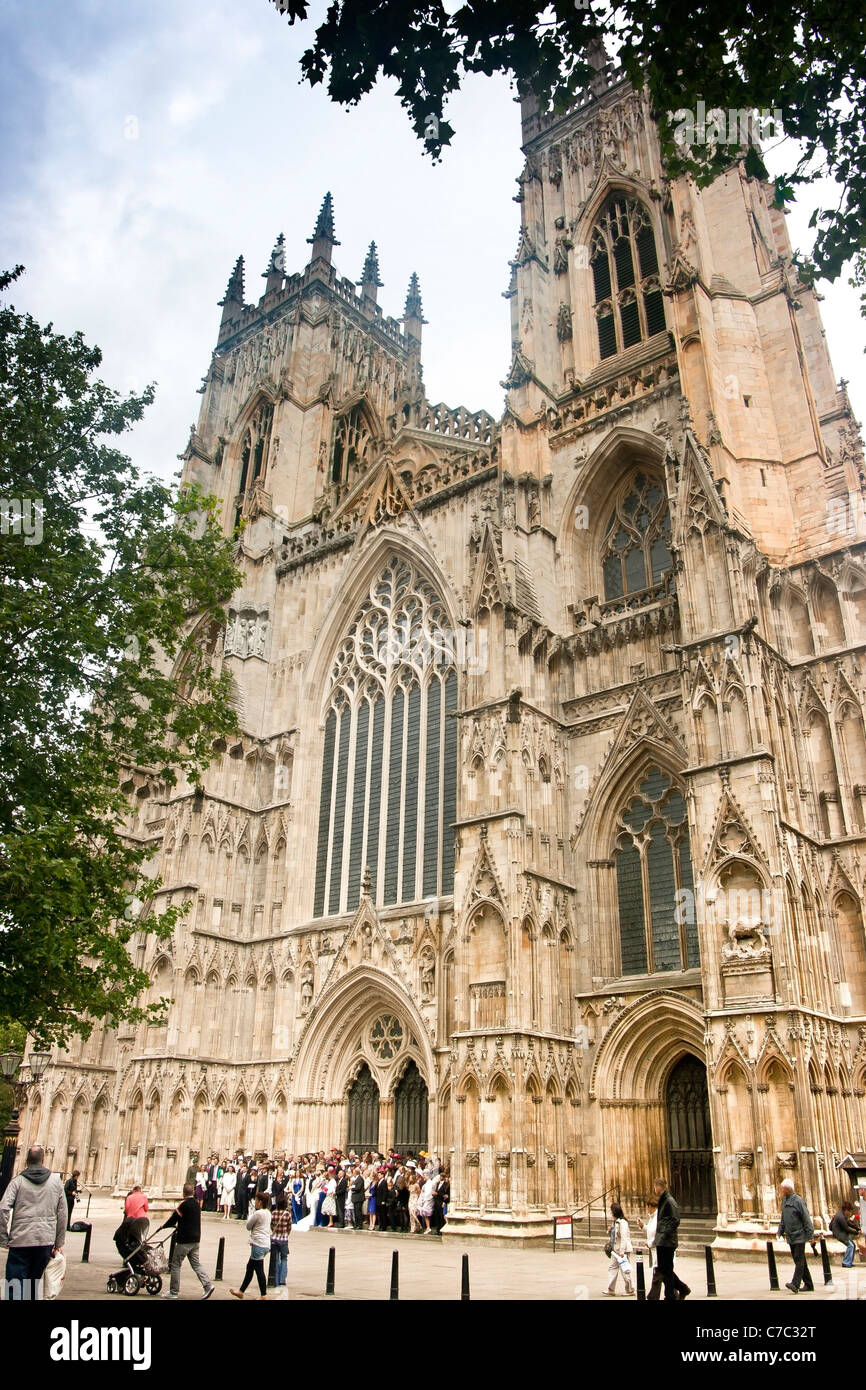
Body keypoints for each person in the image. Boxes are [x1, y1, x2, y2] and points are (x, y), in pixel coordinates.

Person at [0, 1144, 67, 1300]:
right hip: (45, 1240)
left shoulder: (18, 1181)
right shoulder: (56, 1182)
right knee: (32, 1283)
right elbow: (63, 1212)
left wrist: (3, 1237)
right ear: (43, 1159)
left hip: (20, 1240)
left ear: (26, 1160)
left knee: (15, 1286)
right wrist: (58, 1242)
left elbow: (3, 1208)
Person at [161, 1182, 215, 1299]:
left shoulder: (183, 1205)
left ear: (183, 1193)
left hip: (184, 1240)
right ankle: (207, 1285)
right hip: (196, 1239)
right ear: (193, 1192)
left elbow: (173, 1219)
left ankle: (173, 1291)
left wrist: (163, 1226)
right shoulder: (196, 1204)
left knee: (175, 1264)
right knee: (196, 1264)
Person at [653, 1178, 690, 1300]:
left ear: (659, 1187)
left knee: (666, 1270)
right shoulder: (663, 1200)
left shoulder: (669, 1200)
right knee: (665, 1270)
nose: (654, 1189)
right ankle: (681, 1289)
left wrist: (664, 1233)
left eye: (655, 1186)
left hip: (667, 1241)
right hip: (662, 1240)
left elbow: (675, 1220)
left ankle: (671, 1295)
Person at [231, 1192, 271, 1300]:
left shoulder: (258, 1214)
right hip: (265, 1244)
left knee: (258, 1270)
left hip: (258, 1243)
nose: (255, 1202)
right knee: (250, 1267)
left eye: (256, 1200)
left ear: (260, 1202)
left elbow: (248, 1226)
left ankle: (264, 1295)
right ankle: (241, 1291)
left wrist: (252, 1213)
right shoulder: (268, 1213)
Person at [777, 1178, 815, 1293]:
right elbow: (783, 1218)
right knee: (799, 1259)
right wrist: (780, 1231)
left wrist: (810, 1236)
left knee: (799, 1260)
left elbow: (806, 1219)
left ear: (787, 1189)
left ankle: (795, 1284)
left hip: (799, 1235)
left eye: (782, 1189)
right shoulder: (784, 1201)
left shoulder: (798, 1201)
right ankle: (809, 1284)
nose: (781, 1190)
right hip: (790, 1236)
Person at [604, 1201, 635, 1296]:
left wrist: (622, 1251)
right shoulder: (615, 1222)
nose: (610, 1213)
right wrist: (610, 1231)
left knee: (625, 1269)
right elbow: (615, 1236)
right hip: (615, 1250)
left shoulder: (623, 1222)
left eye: (611, 1211)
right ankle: (610, 1289)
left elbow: (624, 1238)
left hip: (622, 1250)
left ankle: (630, 1290)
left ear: (614, 1212)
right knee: (612, 1268)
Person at [641, 1197, 662, 1300]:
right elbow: (650, 1231)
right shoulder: (652, 1218)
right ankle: (679, 1291)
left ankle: (652, 1297)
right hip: (655, 1250)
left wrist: (649, 1243)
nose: (646, 1209)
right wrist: (642, 1226)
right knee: (668, 1275)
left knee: (658, 1275)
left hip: (660, 1250)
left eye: (647, 1206)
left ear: (650, 1206)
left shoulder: (658, 1218)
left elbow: (659, 1235)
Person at [271, 1193, 291, 1290]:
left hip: (274, 1238)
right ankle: (282, 1279)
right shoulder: (287, 1214)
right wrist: (286, 1233)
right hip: (284, 1238)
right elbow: (289, 1227)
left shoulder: (273, 1213)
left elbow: (271, 1225)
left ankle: (275, 1278)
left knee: (275, 1259)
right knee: (284, 1258)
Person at [830, 1201, 859, 1269]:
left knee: (853, 1245)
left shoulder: (842, 1214)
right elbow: (847, 1228)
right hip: (840, 1234)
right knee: (850, 1246)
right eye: (850, 1211)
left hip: (842, 1233)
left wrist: (857, 1228)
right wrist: (856, 1232)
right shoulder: (840, 1217)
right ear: (846, 1210)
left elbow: (849, 1223)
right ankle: (846, 1262)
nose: (850, 1213)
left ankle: (849, 1262)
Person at [350, 1166, 366, 1230]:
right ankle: (356, 1224)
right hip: (356, 1197)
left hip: (359, 1197)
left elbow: (358, 1188)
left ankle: (359, 1225)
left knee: (358, 1211)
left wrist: (352, 1188)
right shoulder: (356, 1179)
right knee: (356, 1212)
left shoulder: (360, 1178)